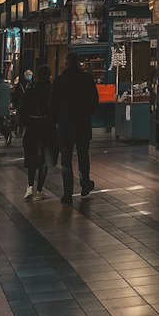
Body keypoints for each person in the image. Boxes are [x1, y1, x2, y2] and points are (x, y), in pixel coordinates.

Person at [50, 51, 99, 204]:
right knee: (83, 156)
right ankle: (85, 184)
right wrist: (88, 113)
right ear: (78, 63)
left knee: (66, 160)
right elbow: (94, 99)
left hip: (65, 125)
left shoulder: (59, 81)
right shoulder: (87, 79)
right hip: (83, 124)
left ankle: (67, 193)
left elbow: (52, 103)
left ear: (66, 63)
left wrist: (57, 119)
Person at [20, 64, 57, 201]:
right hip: (47, 126)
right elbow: (55, 109)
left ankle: (30, 186)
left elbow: (22, 109)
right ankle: (39, 190)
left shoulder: (31, 89)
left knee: (31, 157)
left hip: (32, 126)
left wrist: (26, 123)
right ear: (48, 75)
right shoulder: (51, 89)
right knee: (45, 159)